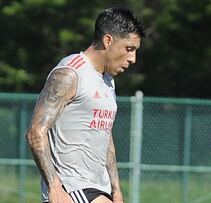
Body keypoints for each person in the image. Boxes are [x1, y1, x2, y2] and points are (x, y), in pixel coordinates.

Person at [26, 7, 146, 203]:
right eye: (129, 49)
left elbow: (105, 136)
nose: (132, 59)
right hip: (72, 189)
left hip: (98, 188)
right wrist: (54, 186)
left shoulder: (107, 80)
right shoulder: (69, 74)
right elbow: (35, 131)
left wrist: (116, 190)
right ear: (108, 41)